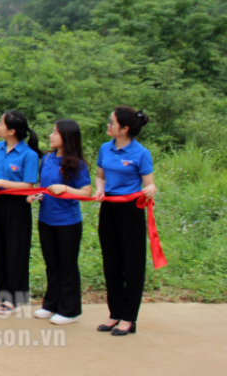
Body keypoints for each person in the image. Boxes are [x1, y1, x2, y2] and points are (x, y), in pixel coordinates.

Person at [94, 106, 156, 336]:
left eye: (111, 122)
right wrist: (100, 190)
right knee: (111, 262)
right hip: (109, 207)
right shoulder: (105, 148)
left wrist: (150, 190)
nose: (108, 125)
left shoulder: (141, 153)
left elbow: (149, 183)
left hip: (131, 210)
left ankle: (129, 318)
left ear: (125, 129)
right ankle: (114, 313)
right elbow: (100, 177)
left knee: (132, 265)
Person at [0, 111, 41, 315]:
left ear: (11, 131)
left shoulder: (28, 154)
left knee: (16, 251)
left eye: (1, 124)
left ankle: (17, 296)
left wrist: (1, 183)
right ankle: (1, 293)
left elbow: (28, 185)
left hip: (17, 206)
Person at [29, 119, 91, 325]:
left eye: (55, 133)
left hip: (67, 222)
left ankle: (69, 310)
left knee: (67, 265)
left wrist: (65, 189)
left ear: (67, 137)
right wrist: (36, 194)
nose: (50, 136)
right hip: (46, 219)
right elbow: (42, 185)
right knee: (51, 264)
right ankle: (51, 304)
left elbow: (86, 192)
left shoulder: (76, 164)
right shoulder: (46, 159)